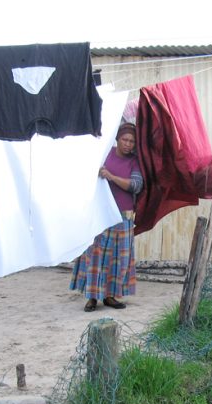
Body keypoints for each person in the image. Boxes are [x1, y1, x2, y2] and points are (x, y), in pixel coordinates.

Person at [70, 122, 143, 312]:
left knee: (118, 257)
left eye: (132, 142)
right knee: (95, 255)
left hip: (123, 215)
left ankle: (110, 296)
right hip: (100, 214)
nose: (128, 144)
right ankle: (92, 297)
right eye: (125, 140)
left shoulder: (134, 161)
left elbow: (136, 185)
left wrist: (111, 177)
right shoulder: (104, 155)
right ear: (117, 139)